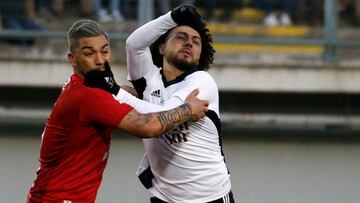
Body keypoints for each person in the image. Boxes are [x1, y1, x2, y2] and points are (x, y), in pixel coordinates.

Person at [26, 19, 209, 203]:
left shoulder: (86, 85)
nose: (100, 60)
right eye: (89, 53)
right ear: (72, 59)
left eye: (105, 51)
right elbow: (148, 126)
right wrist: (188, 109)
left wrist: (144, 94)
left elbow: (118, 94)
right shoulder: (89, 96)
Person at [125, 5, 234, 203]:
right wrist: (172, 17)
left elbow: (160, 118)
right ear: (161, 47)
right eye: (180, 37)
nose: (189, 43)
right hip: (165, 198)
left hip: (211, 198)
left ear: (200, 53)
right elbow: (133, 45)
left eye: (196, 41)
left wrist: (116, 94)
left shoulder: (202, 81)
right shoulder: (149, 79)